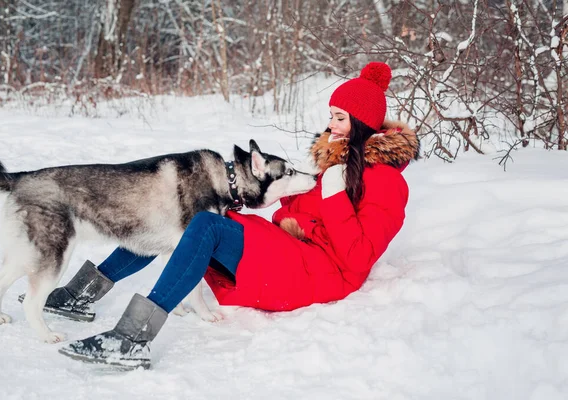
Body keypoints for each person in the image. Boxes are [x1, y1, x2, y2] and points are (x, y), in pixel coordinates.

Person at [52, 61, 420, 369]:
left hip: (322, 272)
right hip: (294, 252)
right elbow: (292, 214)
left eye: (340, 118)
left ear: (364, 124)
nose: (331, 126)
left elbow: (357, 258)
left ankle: (131, 339)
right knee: (184, 222)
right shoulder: (336, 165)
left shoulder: (386, 182)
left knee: (205, 226)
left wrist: (335, 194)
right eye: (331, 117)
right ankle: (83, 292)